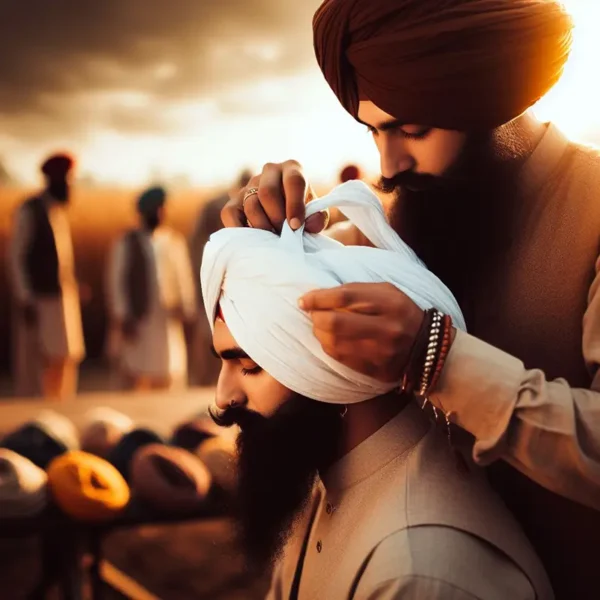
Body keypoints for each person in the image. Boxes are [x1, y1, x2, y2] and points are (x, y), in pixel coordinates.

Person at [221, 2, 600, 597]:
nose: (387, 163)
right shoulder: (409, 208)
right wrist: (271, 236)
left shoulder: (593, 210)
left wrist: (439, 359)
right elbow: (320, 287)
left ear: (488, 99)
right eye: (374, 130)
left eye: (410, 129)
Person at [203, 183, 552, 599]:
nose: (224, 397)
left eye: (249, 365)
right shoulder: (325, 481)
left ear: (336, 365)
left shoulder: (417, 573)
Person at [7, 153, 85, 399]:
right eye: (67, 180)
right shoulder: (29, 211)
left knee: (63, 361)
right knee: (37, 370)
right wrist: (25, 297)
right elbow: (16, 257)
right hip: (38, 303)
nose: (71, 186)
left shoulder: (57, 212)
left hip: (62, 302)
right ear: (54, 179)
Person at [106, 186, 197, 391]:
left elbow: (183, 278)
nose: (158, 213)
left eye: (160, 208)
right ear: (143, 212)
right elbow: (116, 280)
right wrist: (123, 315)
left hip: (166, 317)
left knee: (168, 368)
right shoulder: (126, 242)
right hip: (138, 318)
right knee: (135, 369)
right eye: (153, 209)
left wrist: (187, 309)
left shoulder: (173, 241)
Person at [188, 169, 253, 386]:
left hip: (232, 281)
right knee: (210, 335)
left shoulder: (253, 207)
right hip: (216, 278)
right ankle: (205, 381)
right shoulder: (217, 207)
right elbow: (198, 244)